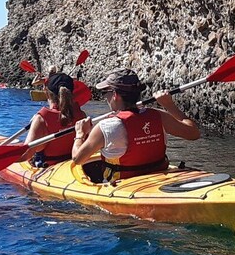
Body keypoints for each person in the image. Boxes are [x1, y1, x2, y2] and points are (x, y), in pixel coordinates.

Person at [72, 68, 200, 182]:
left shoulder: (106, 127)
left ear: (115, 95)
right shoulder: (159, 116)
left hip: (126, 185)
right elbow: (193, 133)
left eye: (105, 93)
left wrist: (80, 134)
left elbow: (78, 159)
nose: (105, 98)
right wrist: (169, 105)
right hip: (159, 176)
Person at [21, 72, 87, 167]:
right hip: (72, 165)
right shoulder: (81, 115)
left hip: (47, 166)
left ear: (46, 92)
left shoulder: (41, 119)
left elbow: (25, 155)